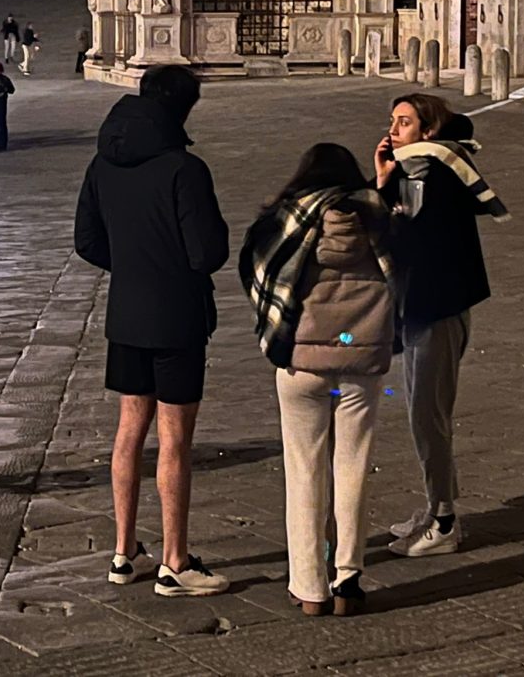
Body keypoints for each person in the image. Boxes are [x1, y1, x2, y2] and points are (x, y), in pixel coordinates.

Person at [74, 65, 231, 598]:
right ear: (184, 108)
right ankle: (176, 560)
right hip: (177, 315)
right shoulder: (184, 168)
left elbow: (86, 241)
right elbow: (207, 252)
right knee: (176, 440)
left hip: (126, 312)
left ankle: (124, 553)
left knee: (129, 430)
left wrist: (131, 263)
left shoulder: (103, 161)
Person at [239, 144, 395, 617]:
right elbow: (414, 263)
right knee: (352, 467)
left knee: (304, 470)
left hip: (302, 361)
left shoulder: (287, 218)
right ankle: (348, 578)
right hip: (362, 358)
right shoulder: (380, 215)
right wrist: (384, 182)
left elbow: (253, 266)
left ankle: (310, 586)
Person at [374, 93, 509, 557]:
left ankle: (445, 519)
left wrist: (387, 190)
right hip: (420, 307)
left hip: (437, 307)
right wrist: (384, 180)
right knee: (424, 411)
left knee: (427, 414)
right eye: (393, 121)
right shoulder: (416, 172)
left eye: (405, 123)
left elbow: (410, 238)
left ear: (429, 132)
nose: (394, 130)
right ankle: (435, 505)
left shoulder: (444, 174)